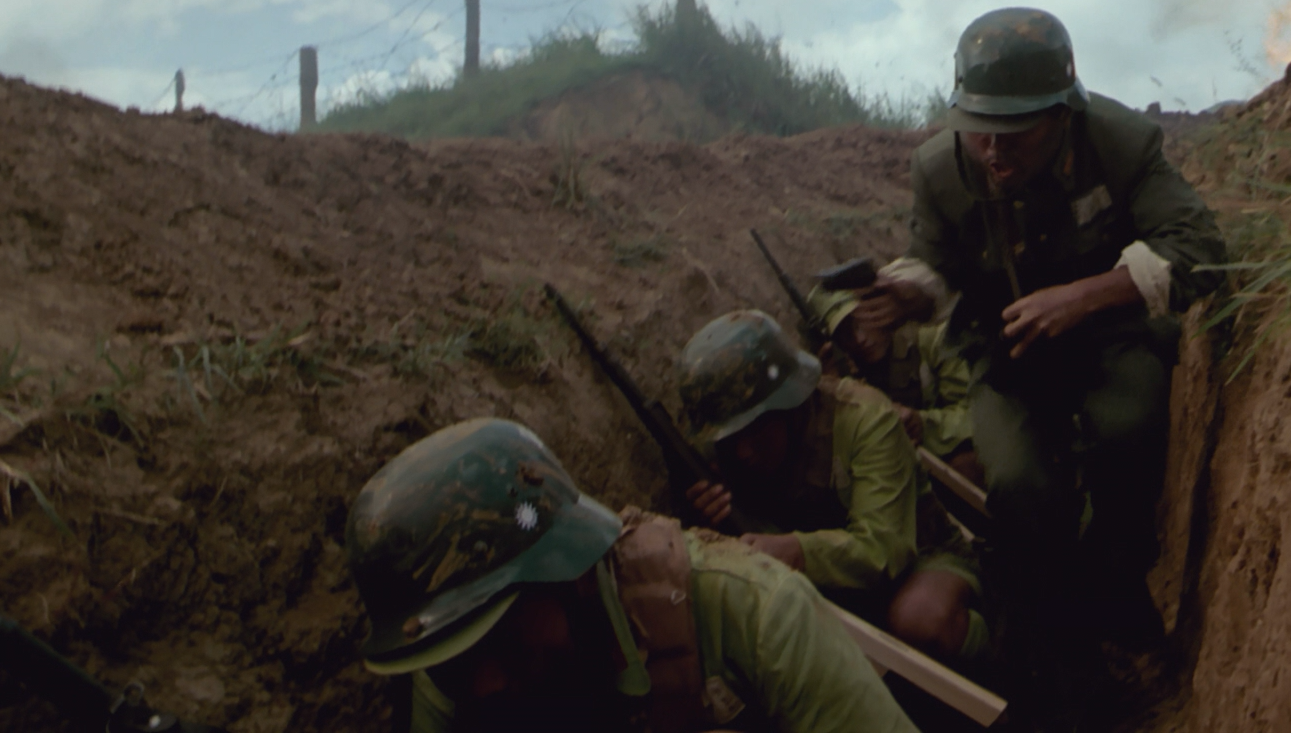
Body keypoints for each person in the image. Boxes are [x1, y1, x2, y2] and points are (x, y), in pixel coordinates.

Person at [881, 6, 1227, 657]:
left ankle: (1117, 587)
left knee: (1128, 433)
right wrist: (904, 294)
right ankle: (1047, 633)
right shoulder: (940, 168)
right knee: (1018, 484)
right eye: (980, 129)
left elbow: (1201, 248)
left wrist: (1083, 297)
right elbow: (935, 260)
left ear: (1063, 115)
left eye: (1016, 131)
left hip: (1112, 338)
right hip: (1005, 353)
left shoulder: (1119, 144)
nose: (994, 150)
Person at [344, 416, 920, 733]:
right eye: (455, 663)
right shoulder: (450, 665)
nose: (486, 684)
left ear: (571, 576)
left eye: (503, 638)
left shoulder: (756, 612)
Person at [675, 310, 988, 665]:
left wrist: (796, 551)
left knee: (921, 619)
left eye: (755, 430)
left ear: (789, 404)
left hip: (917, 559)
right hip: (824, 587)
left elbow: (884, 549)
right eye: (730, 439)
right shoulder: (721, 458)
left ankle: (997, 653)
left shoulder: (864, 419)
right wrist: (714, 523)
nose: (743, 452)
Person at [804, 258, 983, 487]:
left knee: (967, 465)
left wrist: (923, 424)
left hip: (944, 459)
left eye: (863, 322)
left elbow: (978, 415)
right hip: (889, 473)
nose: (859, 339)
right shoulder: (840, 371)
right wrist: (834, 399)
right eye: (845, 333)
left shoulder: (931, 338)